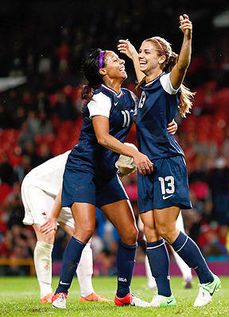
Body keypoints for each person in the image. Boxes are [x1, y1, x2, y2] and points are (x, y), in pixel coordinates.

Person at [118, 14, 221, 307]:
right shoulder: (145, 87)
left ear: (162, 59)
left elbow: (182, 66)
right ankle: (164, 295)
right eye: (141, 52)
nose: (142, 56)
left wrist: (187, 37)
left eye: (147, 52)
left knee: (166, 229)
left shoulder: (166, 82)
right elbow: (143, 80)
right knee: (148, 227)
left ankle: (208, 279)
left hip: (166, 162)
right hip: (148, 166)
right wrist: (132, 54)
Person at [51, 48, 154, 309]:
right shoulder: (99, 98)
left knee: (130, 233)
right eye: (114, 60)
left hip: (106, 172)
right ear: (102, 71)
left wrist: (167, 126)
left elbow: (146, 118)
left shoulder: (129, 96)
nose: (121, 62)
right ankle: (60, 293)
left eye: (120, 59)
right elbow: (103, 138)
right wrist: (133, 152)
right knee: (84, 229)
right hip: (82, 169)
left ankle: (123, 295)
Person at [21, 151, 108, 304]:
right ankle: (46, 293)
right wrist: (53, 216)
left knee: (83, 234)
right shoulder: (89, 156)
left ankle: (87, 293)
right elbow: (66, 186)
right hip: (39, 187)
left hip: (63, 191)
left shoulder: (104, 157)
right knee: (47, 233)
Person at [144, 212, 193, 291]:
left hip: (155, 209)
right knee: (178, 245)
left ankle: (152, 282)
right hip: (171, 206)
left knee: (153, 245)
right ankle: (187, 276)